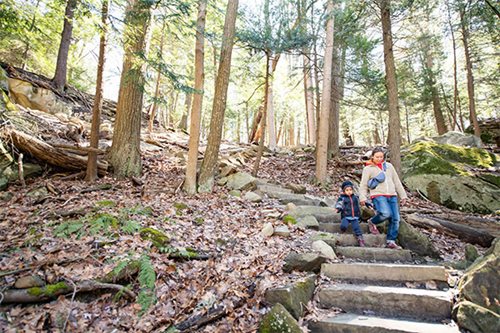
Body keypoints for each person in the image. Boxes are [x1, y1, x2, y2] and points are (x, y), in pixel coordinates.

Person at [359, 147, 407, 249]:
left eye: (381, 157)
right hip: (378, 195)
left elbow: (397, 181)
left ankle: (391, 241)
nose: (379, 159)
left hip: (392, 195)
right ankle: (372, 221)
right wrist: (362, 197)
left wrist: (403, 195)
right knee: (385, 213)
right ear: (372, 156)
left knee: (395, 219)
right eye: (377, 157)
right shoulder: (368, 169)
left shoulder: (389, 166)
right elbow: (363, 185)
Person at [335, 180, 366, 247]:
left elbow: (362, 201)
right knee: (344, 226)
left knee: (357, 227)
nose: (349, 191)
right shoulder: (342, 198)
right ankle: (343, 229)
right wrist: (338, 208)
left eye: (350, 190)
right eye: (347, 190)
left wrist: (368, 204)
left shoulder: (355, 197)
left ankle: (360, 238)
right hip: (346, 215)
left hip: (354, 216)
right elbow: (339, 203)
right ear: (344, 191)